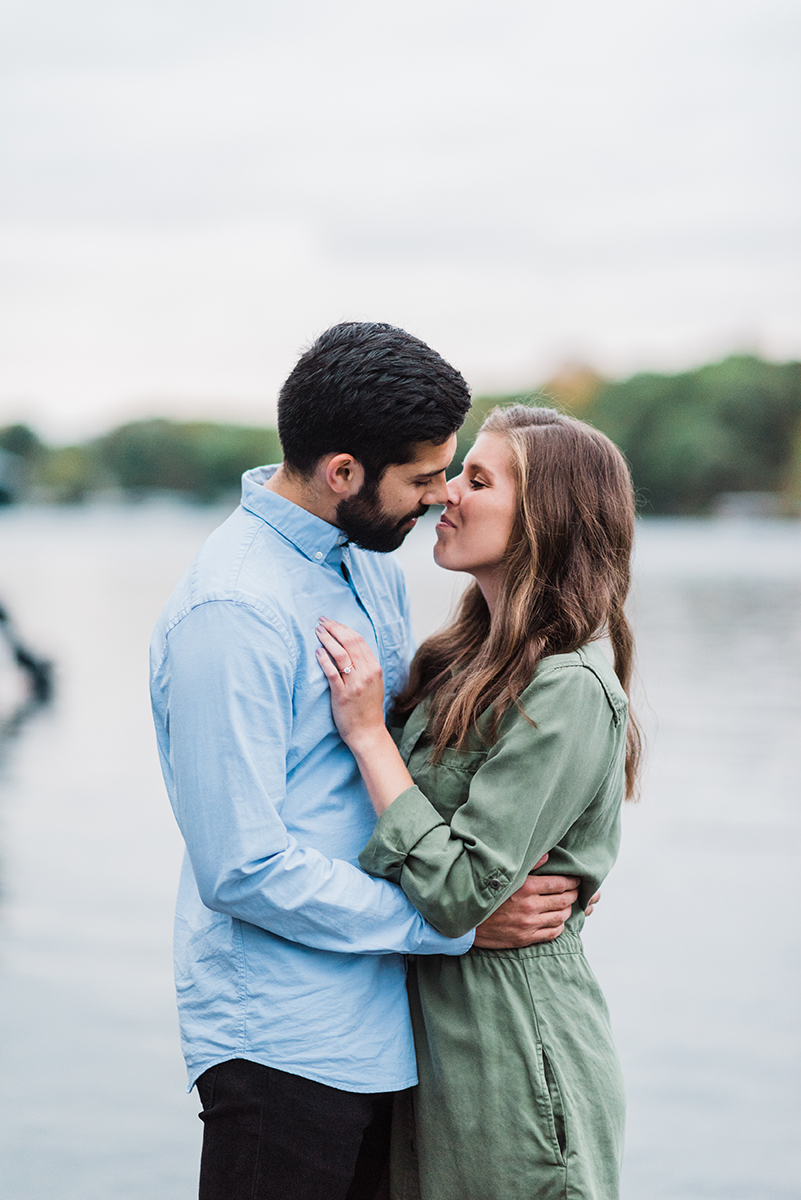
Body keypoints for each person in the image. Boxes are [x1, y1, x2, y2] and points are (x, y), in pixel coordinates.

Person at [149, 325, 585, 1200]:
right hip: (281, 1042)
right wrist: (453, 926)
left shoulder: (367, 560)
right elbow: (242, 867)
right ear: (342, 471)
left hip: (387, 1027)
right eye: (423, 479)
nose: (438, 498)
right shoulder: (231, 610)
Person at [315, 403, 640, 1200]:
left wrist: (368, 736)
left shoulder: (566, 686)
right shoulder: (462, 661)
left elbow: (459, 890)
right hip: (429, 1042)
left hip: (511, 1050)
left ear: (543, 519)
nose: (444, 493)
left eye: (477, 479)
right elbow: (445, 878)